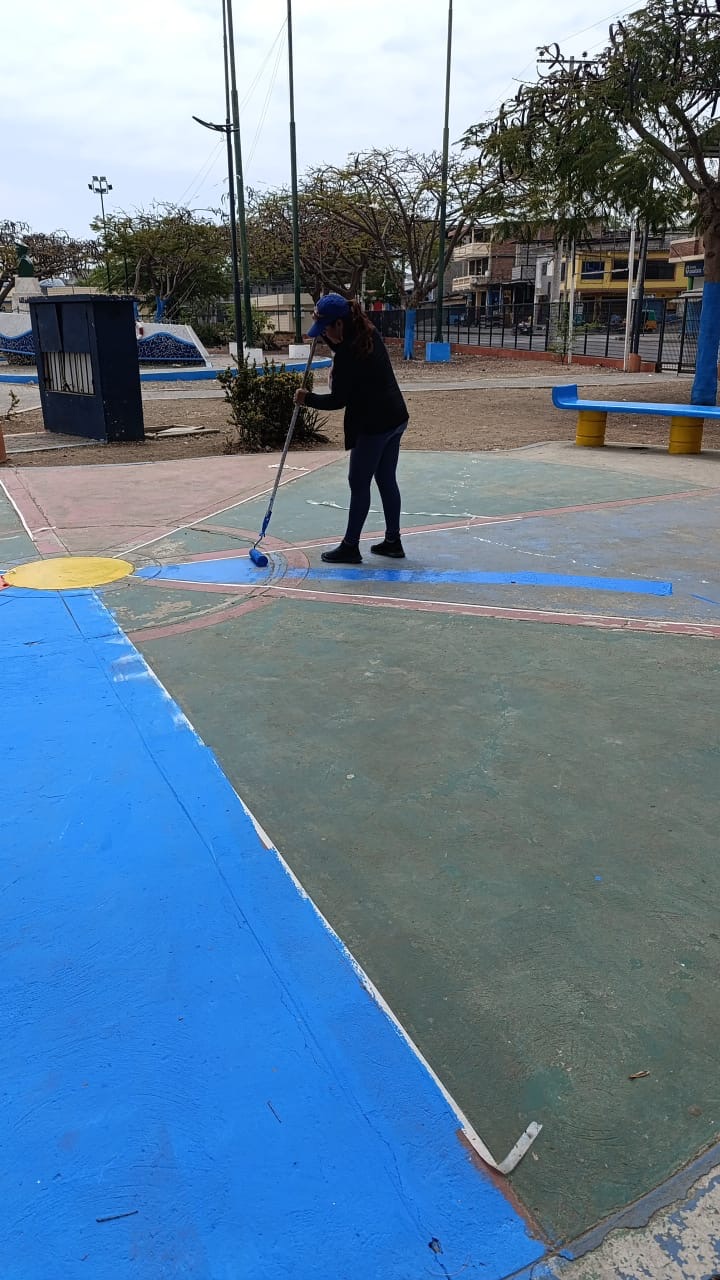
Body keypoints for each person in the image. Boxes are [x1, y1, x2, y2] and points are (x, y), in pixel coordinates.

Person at [294, 293, 409, 564]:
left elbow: (338, 400)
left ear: (339, 324)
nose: (324, 335)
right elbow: (340, 345)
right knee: (386, 479)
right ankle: (393, 541)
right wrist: (325, 335)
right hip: (395, 417)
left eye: (325, 329)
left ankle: (350, 546)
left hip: (374, 425)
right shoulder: (367, 332)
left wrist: (307, 398)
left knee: (358, 483)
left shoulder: (348, 355)